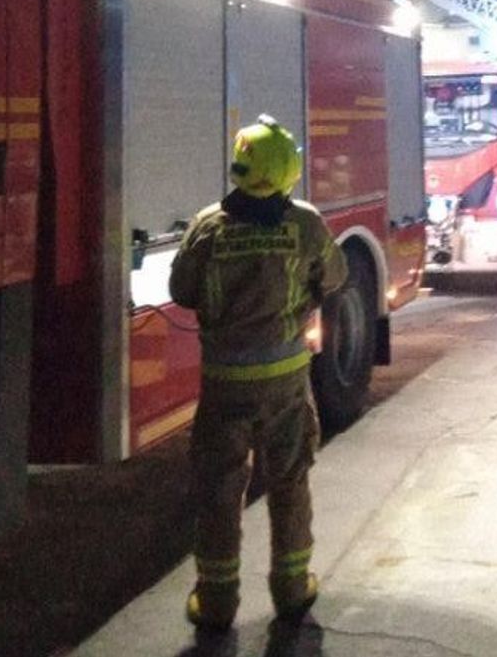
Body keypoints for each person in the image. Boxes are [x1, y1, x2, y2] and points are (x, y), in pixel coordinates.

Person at [169, 115, 347, 630]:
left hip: (225, 385)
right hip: (287, 385)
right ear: (288, 170)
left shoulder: (209, 226)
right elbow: (334, 278)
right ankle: (292, 590)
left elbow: (182, 290)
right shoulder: (306, 224)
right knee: (290, 483)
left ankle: (216, 601)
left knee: (220, 491)